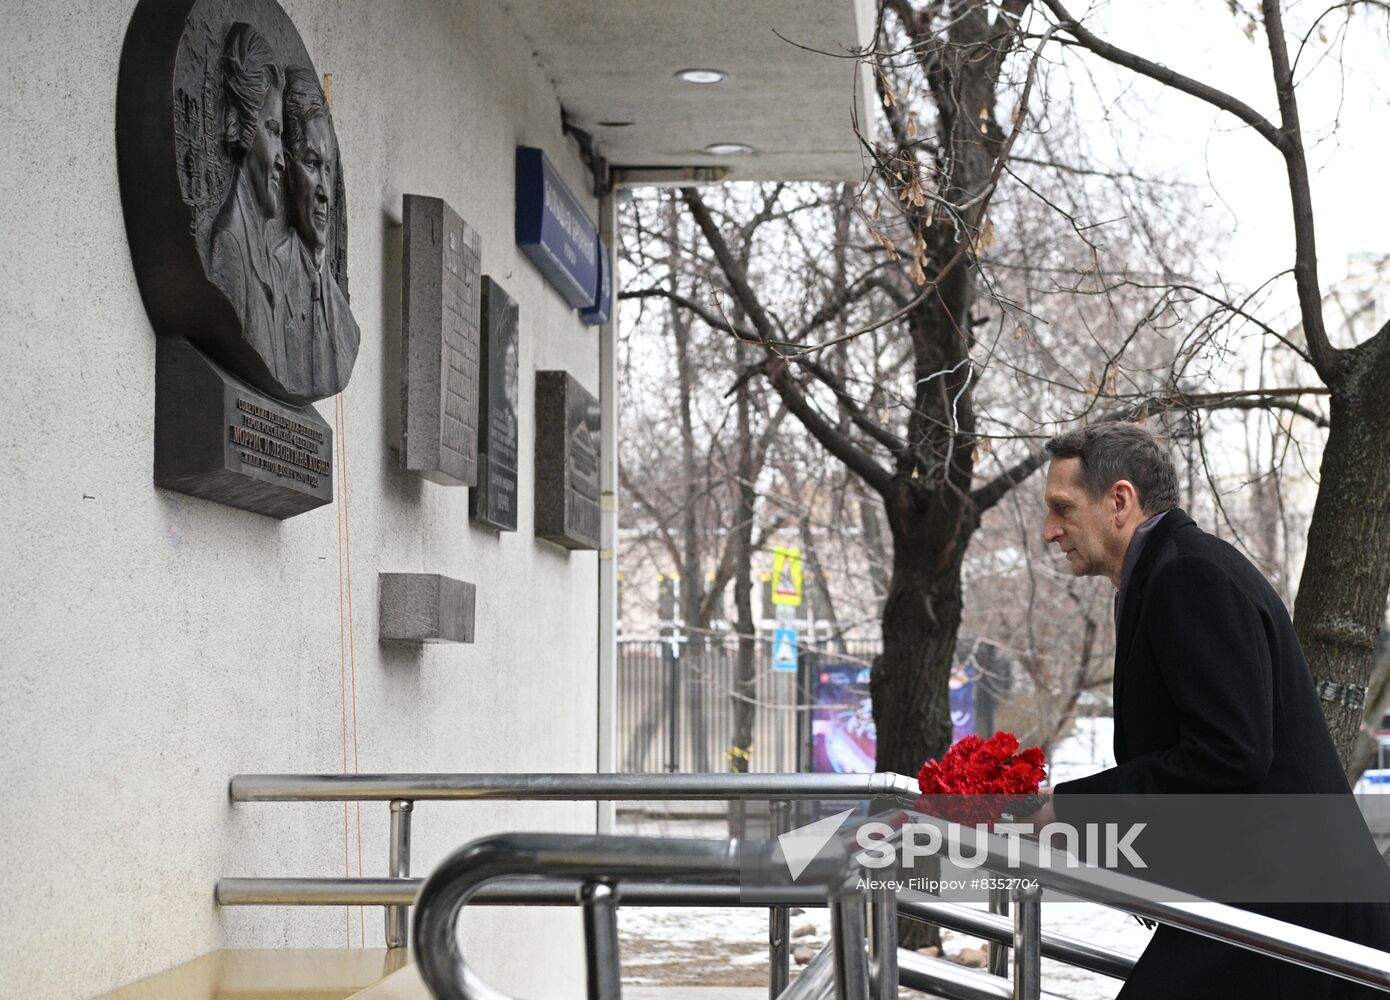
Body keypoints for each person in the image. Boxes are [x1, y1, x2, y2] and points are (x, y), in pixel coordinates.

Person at [1032, 421, 1390, 998]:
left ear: (1119, 501)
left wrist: (1074, 807)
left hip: (1290, 912)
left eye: (1062, 508)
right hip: (1268, 899)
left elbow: (1229, 755)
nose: (1050, 531)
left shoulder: (1188, 576)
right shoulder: (1172, 571)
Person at [275, 67, 359, 399]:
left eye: (328, 168)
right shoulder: (269, 278)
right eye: (311, 164)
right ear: (287, 170)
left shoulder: (345, 323)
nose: (323, 191)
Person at [208, 23, 286, 379]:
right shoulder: (229, 244)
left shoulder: (265, 259)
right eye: (273, 130)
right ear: (241, 126)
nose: (283, 159)